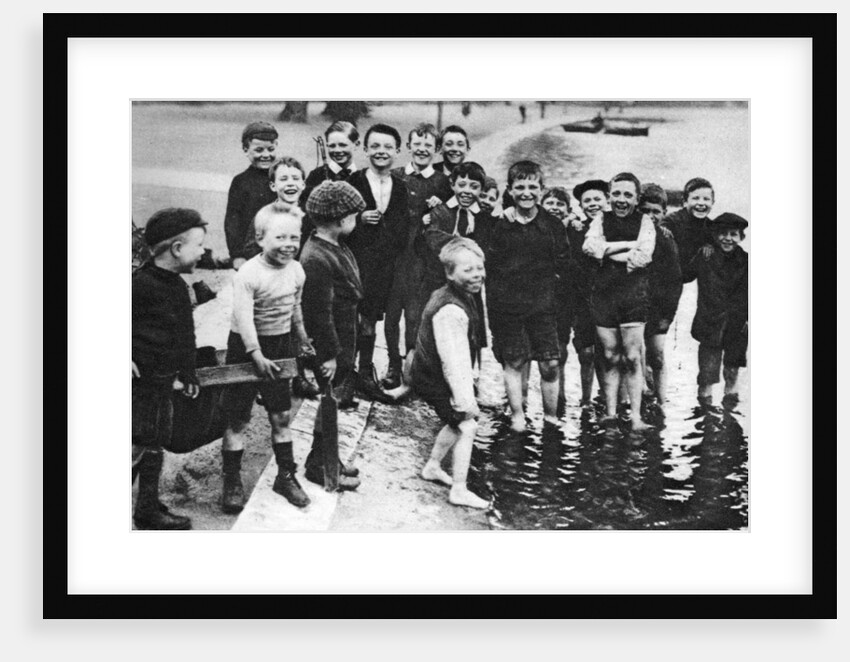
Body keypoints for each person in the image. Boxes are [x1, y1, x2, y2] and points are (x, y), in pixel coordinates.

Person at [219, 204, 315, 512]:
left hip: (280, 346)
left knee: (280, 415)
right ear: (260, 238)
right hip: (245, 349)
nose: (289, 244)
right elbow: (244, 317)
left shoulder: (297, 270)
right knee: (238, 418)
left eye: (294, 237)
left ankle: (285, 476)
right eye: (280, 237)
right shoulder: (249, 273)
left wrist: (302, 339)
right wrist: (254, 353)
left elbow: (295, 307)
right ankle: (232, 480)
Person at [132, 208, 207, 529]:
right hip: (141, 386)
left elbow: (185, 336)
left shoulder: (177, 286)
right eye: (199, 245)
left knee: (155, 442)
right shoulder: (140, 285)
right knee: (138, 443)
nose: (203, 251)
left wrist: (188, 371)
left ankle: (147, 508)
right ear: (177, 249)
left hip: (163, 382)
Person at [487, 160, 569, 431]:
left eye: (532, 187)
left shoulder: (553, 224)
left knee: (550, 364)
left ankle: (550, 418)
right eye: (519, 187)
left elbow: (563, 263)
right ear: (509, 190)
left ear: (542, 190)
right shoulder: (502, 224)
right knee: (514, 360)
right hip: (509, 305)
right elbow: (492, 266)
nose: (526, 193)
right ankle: (518, 416)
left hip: (543, 305)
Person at [301, 181, 370, 489]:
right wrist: (327, 354)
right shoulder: (316, 257)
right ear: (342, 220)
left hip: (344, 337)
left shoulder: (334, 246)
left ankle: (327, 455)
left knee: (333, 402)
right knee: (328, 403)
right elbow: (318, 313)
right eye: (354, 216)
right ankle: (320, 464)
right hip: (332, 345)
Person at [411, 237, 489, 509]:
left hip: (428, 372)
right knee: (467, 424)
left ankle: (433, 466)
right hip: (432, 376)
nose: (477, 274)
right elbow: (453, 362)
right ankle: (459, 488)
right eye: (468, 270)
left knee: (455, 422)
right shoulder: (452, 309)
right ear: (449, 273)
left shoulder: (454, 295)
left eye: (480, 267)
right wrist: (464, 401)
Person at [243, 156, 320, 400]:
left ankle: (298, 376)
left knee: (297, 328)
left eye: (296, 178)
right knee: (270, 331)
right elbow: (250, 246)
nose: (290, 183)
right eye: (283, 179)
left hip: (299, 280)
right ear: (273, 185)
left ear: (304, 184)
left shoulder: (310, 215)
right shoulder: (266, 215)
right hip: (271, 281)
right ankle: (265, 379)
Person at [583, 172, 656, 431]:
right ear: (609, 196)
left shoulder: (645, 220)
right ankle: (611, 413)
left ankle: (636, 416)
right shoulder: (601, 219)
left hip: (633, 295)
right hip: (604, 294)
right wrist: (627, 247)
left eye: (628, 195)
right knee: (610, 356)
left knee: (633, 357)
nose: (621, 200)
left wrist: (608, 251)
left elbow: (644, 255)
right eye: (616, 194)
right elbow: (590, 247)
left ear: (637, 199)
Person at [382, 123, 453, 389]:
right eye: (417, 144)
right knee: (391, 314)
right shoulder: (396, 175)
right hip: (395, 255)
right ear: (409, 146)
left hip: (422, 260)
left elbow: (450, 215)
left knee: (415, 314)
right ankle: (392, 364)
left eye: (428, 146)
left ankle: (412, 366)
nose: (422, 150)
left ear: (436, 150)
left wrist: (439, 209)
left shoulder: (443, 182)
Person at [347, 123, 411, 403]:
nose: (381, 152)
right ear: (365, 149)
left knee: (370, 320)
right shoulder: (354, 182)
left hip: (383, 266)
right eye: (375, 146)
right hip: (355, 261)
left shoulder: (399, 186)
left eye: (387, 147)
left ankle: (364, 371)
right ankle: (345, 374)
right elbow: (341, 222)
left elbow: (401, 226)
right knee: (351, 319)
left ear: (397, 152)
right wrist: (359, 220)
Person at [683, 213, 749, 408]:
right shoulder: (705, 256)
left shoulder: (748, 260)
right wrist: (698, 250)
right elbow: (684, 275)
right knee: (707, 375)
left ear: (741, 238)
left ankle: (730, 412)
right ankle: (705, 416)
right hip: (709, 323)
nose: (728, 238)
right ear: (714, 235)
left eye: (733, 234)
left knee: (732, 370)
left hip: (738, 325)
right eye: (723, 234)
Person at [639, 184, 682, 410]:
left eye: (656, 211)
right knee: (633, 355)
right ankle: (636, 397)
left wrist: (668, 315)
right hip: (633, 306)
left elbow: (675, 281)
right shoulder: (630, 234)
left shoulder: (666, 239)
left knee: (656, 355)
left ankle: (662, 399)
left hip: (658, 308)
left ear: (664, 213)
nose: (650, 216)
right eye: (645, 210)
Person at [569, 180, 609, 406]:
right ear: (581, 205)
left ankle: (607, 397)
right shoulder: (576, 229)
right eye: (587, 201)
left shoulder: (615, 227)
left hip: (610, 297)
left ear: (607, 200)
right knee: (585, 352)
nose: (593, 204)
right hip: (583, 298)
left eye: (597, 199)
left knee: (608, 353)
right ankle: (585, 400)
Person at [224, 121, 278, 271]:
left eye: (271, 149)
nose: (266, 155)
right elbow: (232, 220)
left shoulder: (283, 176)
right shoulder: (240, 182)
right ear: (246, 149)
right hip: (251, 251)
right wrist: (237, 255)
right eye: (259, 150)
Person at [540, 186, 574, 416]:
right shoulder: (537, 228)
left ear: (568, 210)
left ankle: (560, 395)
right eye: (549, 203)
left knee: (561, 347)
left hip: (564, 296)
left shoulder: (573, 230)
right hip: (539, 297)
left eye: (560, 204)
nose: (554, 208)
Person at [300, 121, 360, 211]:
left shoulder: (363, 177)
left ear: (356, 145)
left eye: (342, 145)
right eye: (332, 146)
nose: (337, 150)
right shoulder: (316, 175)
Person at [662, 177, 715, 278]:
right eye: (695, 198)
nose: (701, 203)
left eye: (706, 199)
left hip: (691, 274)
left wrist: (709, 245)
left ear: (713, 202)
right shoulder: (674, 218)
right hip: (669, 273)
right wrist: (663, 228)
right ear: (685, 202)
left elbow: (713, 240)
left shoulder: (710, 225)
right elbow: (664, 223)